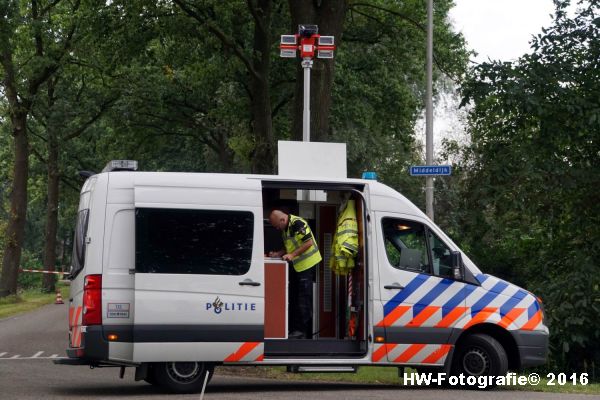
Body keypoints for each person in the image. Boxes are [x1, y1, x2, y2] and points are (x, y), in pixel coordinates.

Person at [268, 209, 322, 339]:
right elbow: (290, 247)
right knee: (295, 298)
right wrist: (278, 254)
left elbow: (308, 243)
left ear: (282, 220)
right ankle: (295, 330)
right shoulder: (286, 228)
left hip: (308, 265)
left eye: (276, 225)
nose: (276, 229)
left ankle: (302, 333)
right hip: (299, 267)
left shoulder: (298, 223)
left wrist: (292, 255)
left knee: (303, 300)